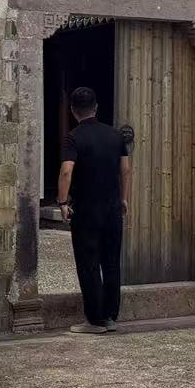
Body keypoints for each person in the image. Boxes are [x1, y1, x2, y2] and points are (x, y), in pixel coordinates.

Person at [55, 86, 130, 335]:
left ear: (73, 110)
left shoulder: (73, 137)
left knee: (88, 263)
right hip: (112, 207)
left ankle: (94, 320)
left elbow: (67, 171)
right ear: (96, 107)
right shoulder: (116, 136)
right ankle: (110, 316)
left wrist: (62, 202)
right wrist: (123, 199)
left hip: (86, 209)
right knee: (111, 262)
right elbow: (125, 170)